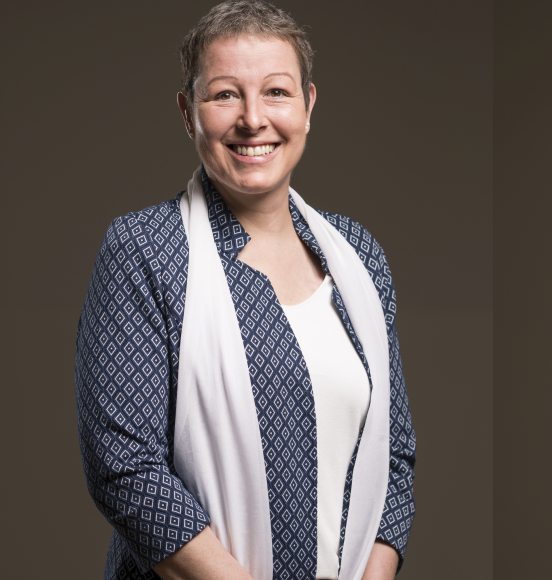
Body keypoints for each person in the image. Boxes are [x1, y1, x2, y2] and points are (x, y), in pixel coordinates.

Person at [75, 2, 415, 578]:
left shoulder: (360, 257)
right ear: (188, 113)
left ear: (308, 107)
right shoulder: (144, 251)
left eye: (276, 92)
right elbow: (123, 465)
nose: (253, 119)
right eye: (225, 94)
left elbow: (395, 455)